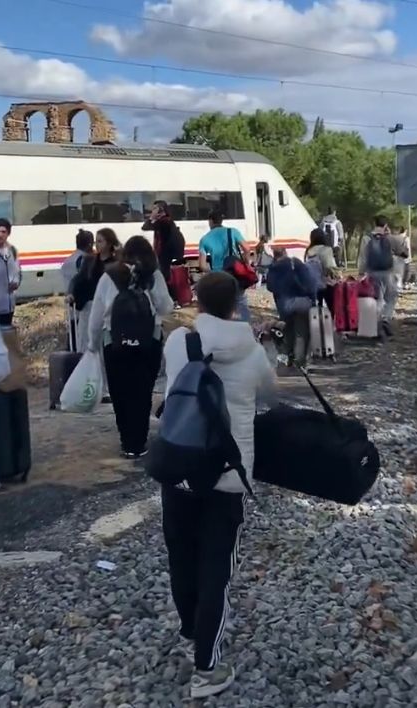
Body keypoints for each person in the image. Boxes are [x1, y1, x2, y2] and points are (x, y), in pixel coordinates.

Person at [161, 271, 276, 699]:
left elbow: (170, 389)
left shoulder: (178, 343)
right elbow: (271, 396)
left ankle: (192, 626)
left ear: (197, 300)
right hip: (227, 474)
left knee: (181, 553)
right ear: (237, 303)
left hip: (178, 467)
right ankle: (206, 668)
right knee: (216, 569)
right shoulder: (252, 352)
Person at [88, 236, 173, 458]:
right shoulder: (152, 275)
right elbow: (166, 306)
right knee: (142, 392)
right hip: (149, 341)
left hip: (114, 342)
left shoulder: (109, 275)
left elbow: (97, 314)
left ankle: (127, 441)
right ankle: (139, 442)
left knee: (120, 391)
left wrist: (91, 343)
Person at [70, 228, 120, 355]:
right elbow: (78, 280)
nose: (97, 245)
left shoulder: (117, 263)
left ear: (109, 243)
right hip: (89, 306)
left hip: (109, 308)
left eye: (100, 241)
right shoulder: (89, 260)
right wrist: (71, 293)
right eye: (96, 242)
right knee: (86, 342)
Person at [266, 248, 316, 370]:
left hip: (285, 304)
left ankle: (290, 356)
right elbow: (310, 282)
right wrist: (313, 299)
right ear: (285, 253)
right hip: (302, 302)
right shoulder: (296, 263)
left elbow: (270, 287)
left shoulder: (273, 268)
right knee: (301, 333)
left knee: (288, 330)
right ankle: (300, 363)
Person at [199, 210, 251, 322]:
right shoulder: (233, 232)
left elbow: (202, 266)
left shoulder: (205, 239)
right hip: (236, 274)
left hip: (219, 278)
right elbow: (247, 248)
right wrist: (246, 263)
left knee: (221, 306)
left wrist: (213, 271)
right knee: (240, 302)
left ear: (210, 221)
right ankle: (245, 329)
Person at [358, 215, 397, 336]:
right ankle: (386, 318)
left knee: (378, 298)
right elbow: (394, 255)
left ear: (374, 223)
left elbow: (363, 257)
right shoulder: (389, 238)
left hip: (372, 272)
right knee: (391, 298)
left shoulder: (367, 238)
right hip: (388, 272)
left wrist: (361, 272)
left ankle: (377, 324)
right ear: (385, 225)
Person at [142, 200, 185, 285]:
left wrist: (152, 217)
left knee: (163, 277)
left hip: (164, 254)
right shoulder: (166, 221)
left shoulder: (164, 222)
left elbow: (145, 227)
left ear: (161, 210)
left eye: (154, 209)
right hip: (164, 254)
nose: (152, 211)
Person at [305, 227, 338, 315]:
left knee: (316, 309)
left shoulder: (308, 252)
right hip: (326, 284)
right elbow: (330, 266)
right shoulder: (326, 250)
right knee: (333, 308)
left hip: (313, 284)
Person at [390, 226, 411, 292]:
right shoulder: (406, 238)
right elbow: (408, 248)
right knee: (405, 272)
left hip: (396, 257)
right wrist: (410, 257)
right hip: (404, 257)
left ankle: (396, 286)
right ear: (405, 230)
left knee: (396, 273)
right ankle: (403, 285)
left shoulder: (395, 238)